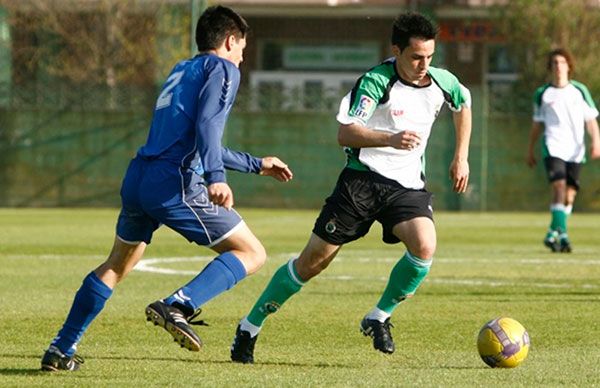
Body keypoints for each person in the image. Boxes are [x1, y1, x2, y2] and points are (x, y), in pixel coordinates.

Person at [40, 5, 293, 372]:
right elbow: (208, 126)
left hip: (140, 176)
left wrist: (255, 164)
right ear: (229, 40)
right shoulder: (222, 69)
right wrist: (216, 177)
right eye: (242, 48)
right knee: (252, 252)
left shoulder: (182, 69)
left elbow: (193, 137)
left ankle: (60, 349)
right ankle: (178, 305)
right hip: (174, 182)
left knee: (117, 265)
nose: (242, 57)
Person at [230, 12, 471, 364]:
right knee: (311, 264)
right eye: (416, 57)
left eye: (429, 57)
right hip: (361, 182)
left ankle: (379, 316)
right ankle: (249, 326)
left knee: (425, 245)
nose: (424, 65)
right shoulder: (375, 82)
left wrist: (460, 156)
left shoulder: (441, 81)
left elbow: (462, 103)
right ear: (396, 50)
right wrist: (390, 138)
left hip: (406, 187)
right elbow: (346, 132)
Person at [527, 48, 600, 253]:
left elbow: (591, 121)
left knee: (569, 196)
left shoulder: (579, 91)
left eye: (562, 62)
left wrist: (596, 142)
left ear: (569, 66)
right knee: (558, 187)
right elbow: (536, 125)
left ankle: (553, 231)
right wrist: (530, 149)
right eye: (555, 63)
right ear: (550, 68)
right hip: (553, 146)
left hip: (576, 150)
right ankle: (564, 234)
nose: (558, 66)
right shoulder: (542, 94)